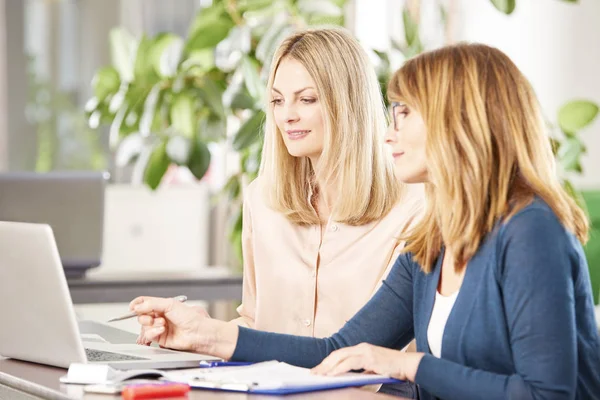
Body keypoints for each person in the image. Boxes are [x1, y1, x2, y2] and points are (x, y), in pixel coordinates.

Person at [132, 43, 600, 399]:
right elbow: (338, 349)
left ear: (460, 122)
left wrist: (407, 366)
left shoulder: (530, 229)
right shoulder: (434, 239)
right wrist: (202, 334)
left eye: (405, 112)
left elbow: (545, 393)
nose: (389, 129)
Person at [138, 27, 423, 359]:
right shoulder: (263, 200)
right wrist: (200, 330)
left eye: (306, 99)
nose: (287, 115)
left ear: (347, 103)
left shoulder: (413, 208)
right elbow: (256, 323)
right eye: (276, 100)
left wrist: (211, 336)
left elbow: (360, 352)